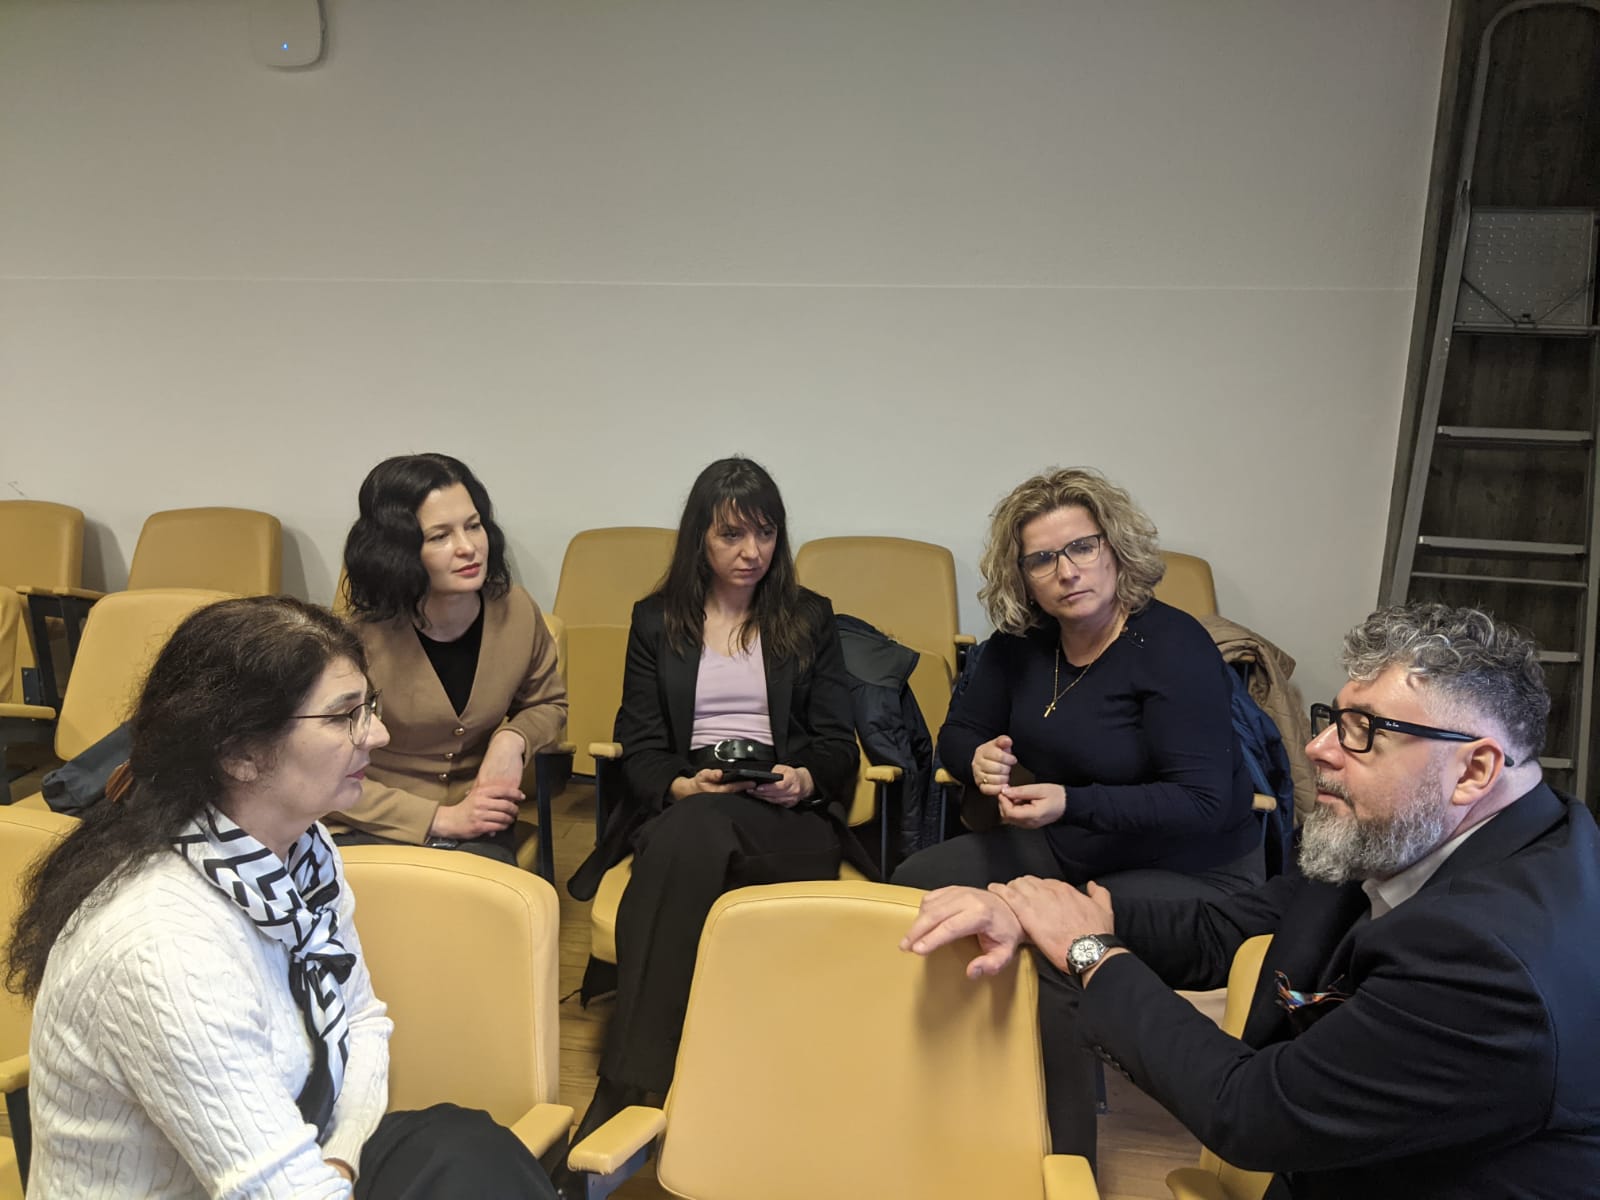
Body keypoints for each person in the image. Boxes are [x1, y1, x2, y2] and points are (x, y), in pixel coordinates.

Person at [903, 603, 1600, 1198]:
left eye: (1363, 731)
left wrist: (1089, 952)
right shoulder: (1420, 835)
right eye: (1333, 718)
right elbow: (1232, 925)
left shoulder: (1490, 961)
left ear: (1474, 768)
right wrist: (1045, 913)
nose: (1317, 747)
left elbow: (1255, 1111)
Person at [7, 595, 555, 1198]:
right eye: (344, 716)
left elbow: (362, 1022)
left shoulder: (303, 849)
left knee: (467, 1146)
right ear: (241, 754)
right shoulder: (163, 945)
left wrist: (342, 1161)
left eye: (369, 706)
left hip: (310, 1148)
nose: (378, 733)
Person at [891, 466, 1260, 1157]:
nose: (1067, 571)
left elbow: (1204, 803)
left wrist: (1071, 800)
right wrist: (977, 760)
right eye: (1042, 559)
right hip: (1069, 847)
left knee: (1056, 937)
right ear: (1022, 576)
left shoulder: (1172, 646)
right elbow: (958, 732)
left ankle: (1061, 1157)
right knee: (910, 889)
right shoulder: (1019, 644)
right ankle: (947, 1089)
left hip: (1190, 873)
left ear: (1115, 549)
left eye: (1082, 547)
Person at [561, 456, 870, 1170]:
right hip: (691, 806)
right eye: (732, 534)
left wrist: (800, 778)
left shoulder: (808, 617)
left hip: (787, 819)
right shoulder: (657, 620)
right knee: (693, 831)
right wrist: (678, 786)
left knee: (685, 842)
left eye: (765, 533)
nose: (751, 552)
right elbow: (640, 745)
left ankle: (626, 1089)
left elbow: (835, 745)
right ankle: (672, 1085)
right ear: (699, 537)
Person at [329, 453, 566, 865]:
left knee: (482, 898)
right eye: (440, 536)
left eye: (473, 526)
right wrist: (440, 819)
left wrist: (512, 740)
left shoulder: (515, 609)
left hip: (479, 816)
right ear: (398, 551)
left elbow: (548, 702)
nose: (468, 548)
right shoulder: (356, 639)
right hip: (372, 820)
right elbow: (320, 772)